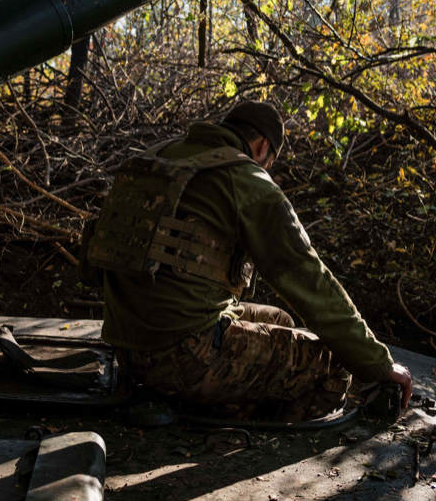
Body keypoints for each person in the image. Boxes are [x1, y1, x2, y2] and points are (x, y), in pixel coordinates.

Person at [83, 101, 413, 421]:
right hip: (181, 358)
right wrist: (378, 364)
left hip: (126, 351)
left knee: (281, 320)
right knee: (334, 364)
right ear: (262, 145)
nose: (267, 168)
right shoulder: (243, 178)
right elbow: (309, 279)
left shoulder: (157, 158)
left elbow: (97, 265)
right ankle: (273, 455)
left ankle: (215, 405)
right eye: (270, 160)